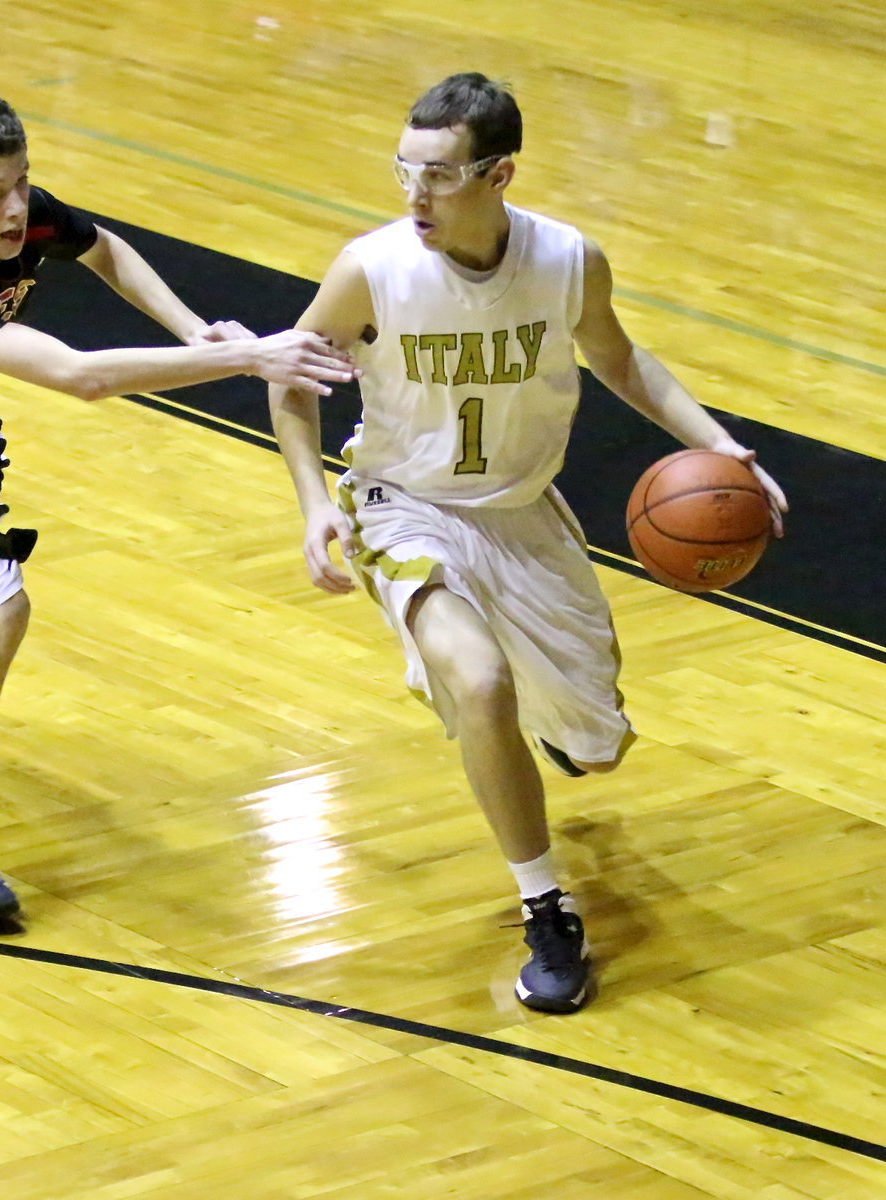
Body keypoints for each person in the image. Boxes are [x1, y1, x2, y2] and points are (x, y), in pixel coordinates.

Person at [268, 72, 786, 1014]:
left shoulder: (567, 260)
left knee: (594, 756)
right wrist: (314, 502)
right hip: (402, 506)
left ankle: (520, 741)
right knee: (481, 682)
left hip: (524, 516)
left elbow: (620, 356)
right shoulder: (371, 267)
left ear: (500, 172)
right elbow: (293, 379)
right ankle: (546, 907)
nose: (415, 194)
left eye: (441, 174)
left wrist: (716, 446)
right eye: (404, 171)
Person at [0, 82, 357, 930]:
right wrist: (247, 358)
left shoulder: (21, 216)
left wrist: (192, 328)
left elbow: (107, 248)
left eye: (22, 181)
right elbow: (80, 375)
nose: (17, 207)